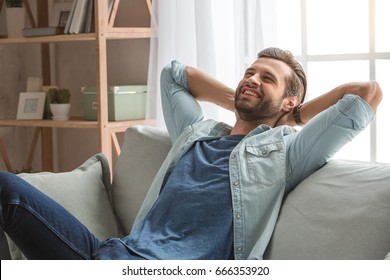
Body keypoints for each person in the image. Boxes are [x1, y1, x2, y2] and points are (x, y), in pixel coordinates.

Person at [0, 47, 382, 260]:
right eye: (249, 72)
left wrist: (292, 116)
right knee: (8, 190)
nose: (252, 78)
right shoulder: (197, 135)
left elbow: (367, 93)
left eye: (268, 78)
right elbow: (174, 74)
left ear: (290, 100)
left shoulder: (285, 153)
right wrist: (242, 98)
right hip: (111, 255)